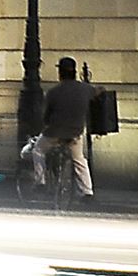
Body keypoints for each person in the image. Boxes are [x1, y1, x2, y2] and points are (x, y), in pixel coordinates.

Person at [39, 57, 96, 198]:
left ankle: (41, 181)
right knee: (79, 160)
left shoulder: (53, 92)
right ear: (75, 72)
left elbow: (46, 116)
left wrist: (46, 123)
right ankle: (87, 191)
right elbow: (98, 92)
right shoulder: (85, 89)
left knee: (38, 151)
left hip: (54, 132)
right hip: (75, 132)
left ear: (60, 73)